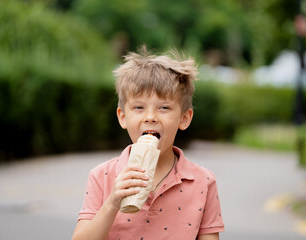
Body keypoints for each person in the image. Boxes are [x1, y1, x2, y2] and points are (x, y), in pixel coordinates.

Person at [72, 46, 224, 240]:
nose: (150, 117)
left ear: (184, 118)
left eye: (164, 107)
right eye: (138, 107)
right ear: (123, 117)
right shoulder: (102, 176)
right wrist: (112, 203)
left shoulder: (203, 182)